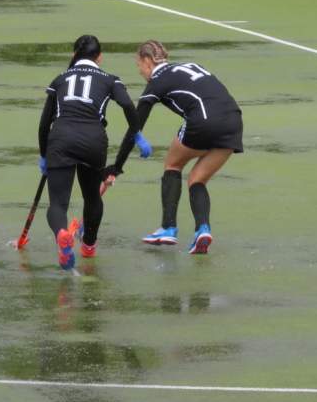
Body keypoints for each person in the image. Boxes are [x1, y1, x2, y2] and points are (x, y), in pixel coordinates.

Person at [107, 40, 243, 256]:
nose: (140, 71)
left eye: (139, 65)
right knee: (197, 179)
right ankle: (202, 230)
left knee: (173, 163)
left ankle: (168, 228)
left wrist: (116, 167)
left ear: (147, 60)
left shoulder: (157, 80)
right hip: (234, 122)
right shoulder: (190, 66)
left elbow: (135, 127)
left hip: (204, 121)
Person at [38, 35, 146, 270]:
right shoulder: (109, 79)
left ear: (73, 55)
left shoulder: (59, 79)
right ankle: (88, 247)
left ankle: (62, 234)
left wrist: (44, 154)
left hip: (61, 139)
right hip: (93, 142)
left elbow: (44, 123)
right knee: (92, 196)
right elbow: (128, 105)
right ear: (100, 57)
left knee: (57, 204)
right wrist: (136, 132)